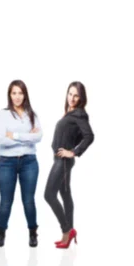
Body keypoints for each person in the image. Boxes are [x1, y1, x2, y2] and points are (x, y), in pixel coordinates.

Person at [44, 81, 94, 249]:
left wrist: (73, 151)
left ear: (81, 98)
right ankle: (68, 233)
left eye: (76, 95)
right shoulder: (70, 113)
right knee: (65, 193)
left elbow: (89, 136)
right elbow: (78, 135)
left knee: (49, 195)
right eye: (70, 94)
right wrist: (72, 146)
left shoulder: (79, 114)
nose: (72, 98)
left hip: (63, 161)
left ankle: (67, 230)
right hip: (60, 160)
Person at [0, 80, 43, 248]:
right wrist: (26, 136)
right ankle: (1, 232)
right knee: (6, 201)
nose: (17, 97)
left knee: (28, 200)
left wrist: (14, 135)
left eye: (20, 93)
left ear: (25, 95)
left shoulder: (32, 114)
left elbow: (39, 137)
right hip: (6, 162)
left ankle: (33, 232)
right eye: (14, 93)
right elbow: (1, 139)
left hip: (29, 162)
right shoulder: (3, 114)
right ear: (9, 95)